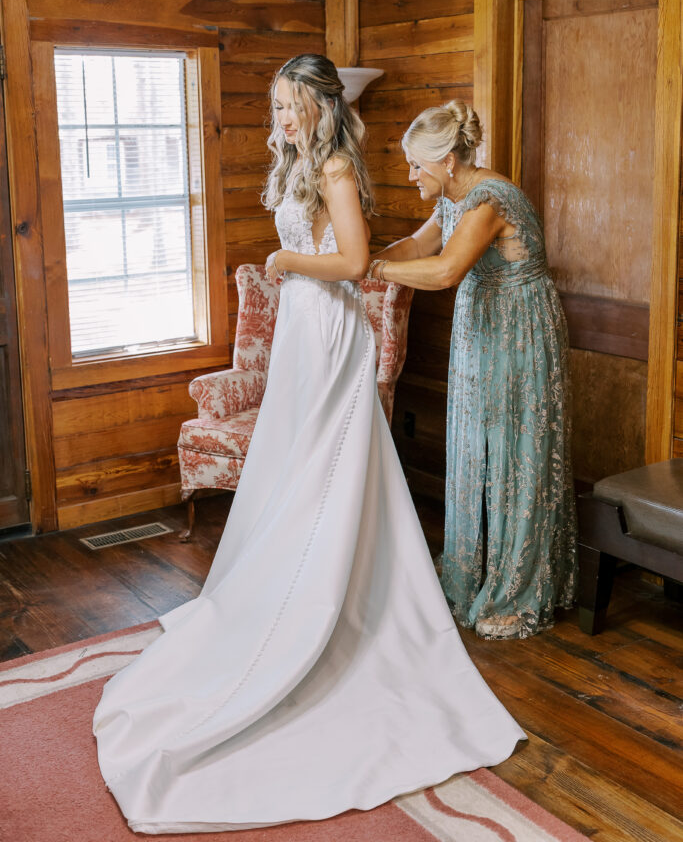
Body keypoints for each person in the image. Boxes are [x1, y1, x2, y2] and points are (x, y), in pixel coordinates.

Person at [92, 60, 525, 834]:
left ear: (321, 106)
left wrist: (289, 263)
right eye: (277, 105)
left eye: (292, 105)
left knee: (324, 469)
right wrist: (290, 274)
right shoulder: (297, 160)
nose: (283, 117)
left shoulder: (332, 165)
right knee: (294, 468)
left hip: (326, 328)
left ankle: (324, 601)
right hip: (299, 327)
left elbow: (357, 266)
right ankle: (282, 588)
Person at [368, 100, 577, 641]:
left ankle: (520, 586)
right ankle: (473, 572)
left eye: (417, 164)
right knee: (474, 448)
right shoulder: (454, 199)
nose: (410, 174)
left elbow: (444, 271)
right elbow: (419, 245)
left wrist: (376, 270)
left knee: (516, 452)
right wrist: (361, 263)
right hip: (482, 332)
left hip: (519, 334)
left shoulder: (487, 198)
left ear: (448, 163)